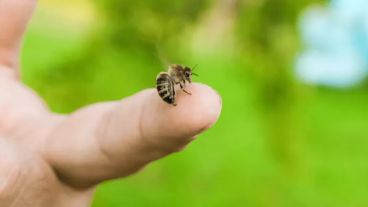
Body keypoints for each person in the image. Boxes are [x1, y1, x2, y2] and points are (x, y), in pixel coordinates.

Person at [0, 1, 222, 206]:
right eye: (187, 75)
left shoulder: (176, 78)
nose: (188, 78)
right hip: (166, 88)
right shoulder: (176, 78)